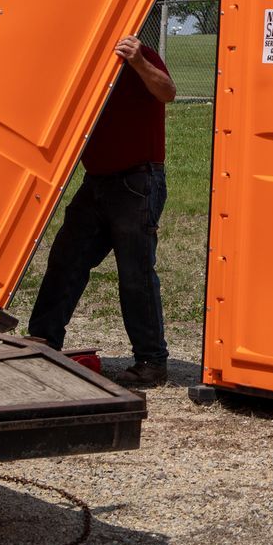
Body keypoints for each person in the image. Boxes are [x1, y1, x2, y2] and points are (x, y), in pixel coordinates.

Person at [26, 33, 176, 388]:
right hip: (97, 181)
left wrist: (138, 61)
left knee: (135, 273)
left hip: (138, 181)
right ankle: (44, 339)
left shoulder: (141, 54)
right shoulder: (85, 62)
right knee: (66, 258)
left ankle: (152, 361)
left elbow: (167, 92)